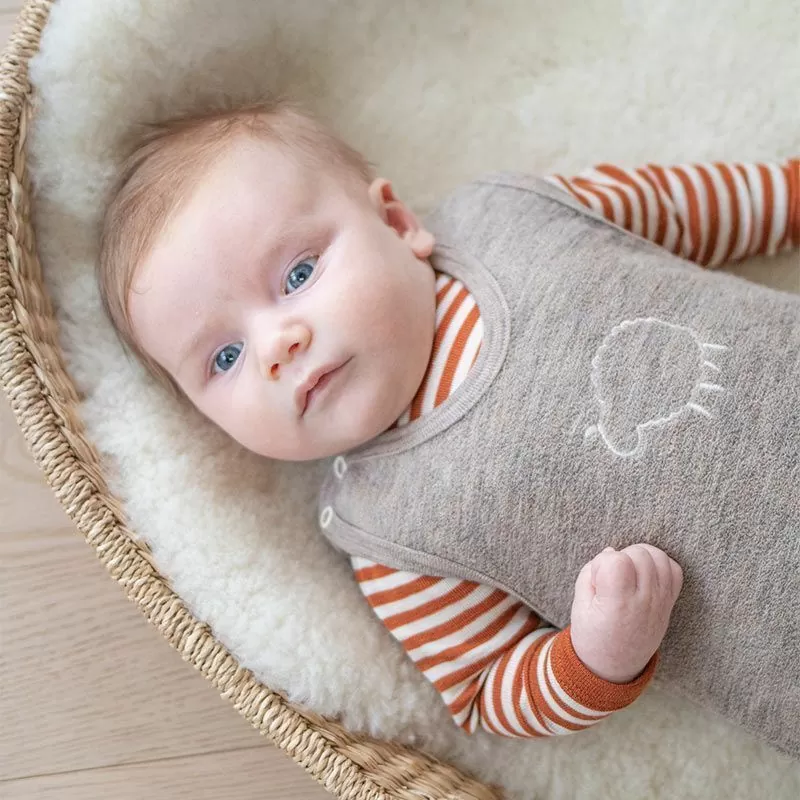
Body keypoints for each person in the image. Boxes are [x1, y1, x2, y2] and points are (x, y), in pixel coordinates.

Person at [99, 100, 800, 741]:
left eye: (298, 275)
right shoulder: (390, 534)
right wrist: (595, 658)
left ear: (397, 224)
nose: (275, 347)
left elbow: (675, 208)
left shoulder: (510, 218)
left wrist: (788, 197)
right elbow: (484, 689)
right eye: (224, 357)